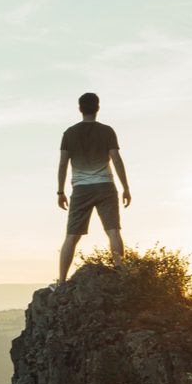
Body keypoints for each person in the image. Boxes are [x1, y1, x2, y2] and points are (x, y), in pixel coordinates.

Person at [56, 92, 131, 283]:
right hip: (105, 186)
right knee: (113, 231)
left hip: (81, 189)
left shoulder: (69, 133)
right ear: (97, 108)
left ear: (80, 109)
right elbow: (116, 159)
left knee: (71, 236)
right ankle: (122, 276)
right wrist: (126, 188)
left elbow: (63, 164)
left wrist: (60, 191)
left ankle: (62, 281)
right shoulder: (107, 131)